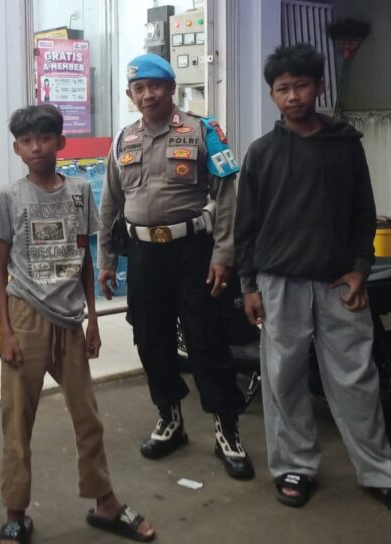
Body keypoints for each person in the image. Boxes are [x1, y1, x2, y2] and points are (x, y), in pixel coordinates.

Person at [235, 43, 391, 524]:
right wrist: (248, 284)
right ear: (272, 95)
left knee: (355, 379)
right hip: (278, 281)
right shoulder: (262, 153)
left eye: (301, 86)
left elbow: (364, 210)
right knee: (283, 378)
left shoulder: (346, 145)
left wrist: (361, 267)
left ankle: (382, 472)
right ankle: (294, 465)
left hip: (339, 282)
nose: (293, 96)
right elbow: (246, 225)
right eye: (282, 89)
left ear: (318, 87)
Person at [0, 104, 156, 544]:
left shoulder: (80, 192)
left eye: (44, 138)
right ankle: (15, 513)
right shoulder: (10, 197)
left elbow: (83, 257)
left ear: (60, 142)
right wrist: (5, 331)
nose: (36, 147)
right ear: (17, 148)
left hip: (70, 320)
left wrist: (93, 319)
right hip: (25, 316)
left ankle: (105, 503)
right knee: (17, 421)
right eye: (26, 141)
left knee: (88, 417)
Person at [98, 53, 253, 480]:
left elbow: (227, 196)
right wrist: (106, 260)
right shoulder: (123, 140)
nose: (147, 95)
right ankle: (170, 418)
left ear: (171, 89)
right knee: (151, 339)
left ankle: (227, 429)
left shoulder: (203, 131)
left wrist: (224, 255)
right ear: (130, 95)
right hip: (144, 255)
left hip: (193, 252)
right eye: (139, 89)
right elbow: (110, 202)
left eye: (155, 86)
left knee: (207, 341)